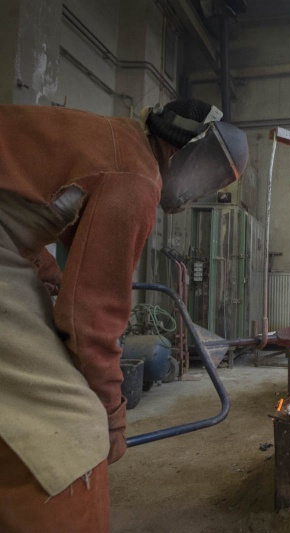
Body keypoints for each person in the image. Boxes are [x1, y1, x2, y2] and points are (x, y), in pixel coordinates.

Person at [0, 99, 248, 532]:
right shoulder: (136, 176)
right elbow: (93, 315)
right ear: (184, 151)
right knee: (69, 422)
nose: (201, 192)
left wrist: (47, 270)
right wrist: (111, 415)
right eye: (209, 177)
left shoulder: (116, 139)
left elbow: (19, 208)